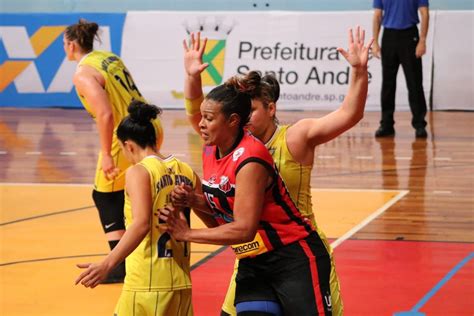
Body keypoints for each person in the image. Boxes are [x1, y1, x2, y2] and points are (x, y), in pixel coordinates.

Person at [181, 28, 373, 315]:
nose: (246, 118)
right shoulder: (227, 144)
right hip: (251, 250)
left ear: (271, 109)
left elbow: (349, 115)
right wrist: (193, 76)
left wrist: (358, 71)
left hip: (295, 248)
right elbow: (199, 113)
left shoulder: (294, 138)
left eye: (253, 110)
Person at [63, 19, 163, 283]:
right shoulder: (108, 58)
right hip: (152, 124)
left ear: (71, 44)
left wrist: (106, 153)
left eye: (64, 43)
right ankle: (142, 248)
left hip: (127, 136)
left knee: (105, 196)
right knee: (135, 187)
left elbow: (106, 114)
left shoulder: (82, 74)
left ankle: (118, 264)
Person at [75, 101, 195, 316]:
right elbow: (212, 206)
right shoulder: (184, 169)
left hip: (146, 284)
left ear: (128, 145)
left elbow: (141, 224)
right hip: (182, 283)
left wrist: (107, 264)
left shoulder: (139, 172)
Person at [372, 0, 429, 138]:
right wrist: (375, 42)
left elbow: (425, 13)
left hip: (410, 36)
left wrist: (422, 40)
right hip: (389, 36)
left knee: (414, 83)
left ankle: (419, 124)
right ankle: (386, 124)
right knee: (388, 84)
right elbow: (377, 15)